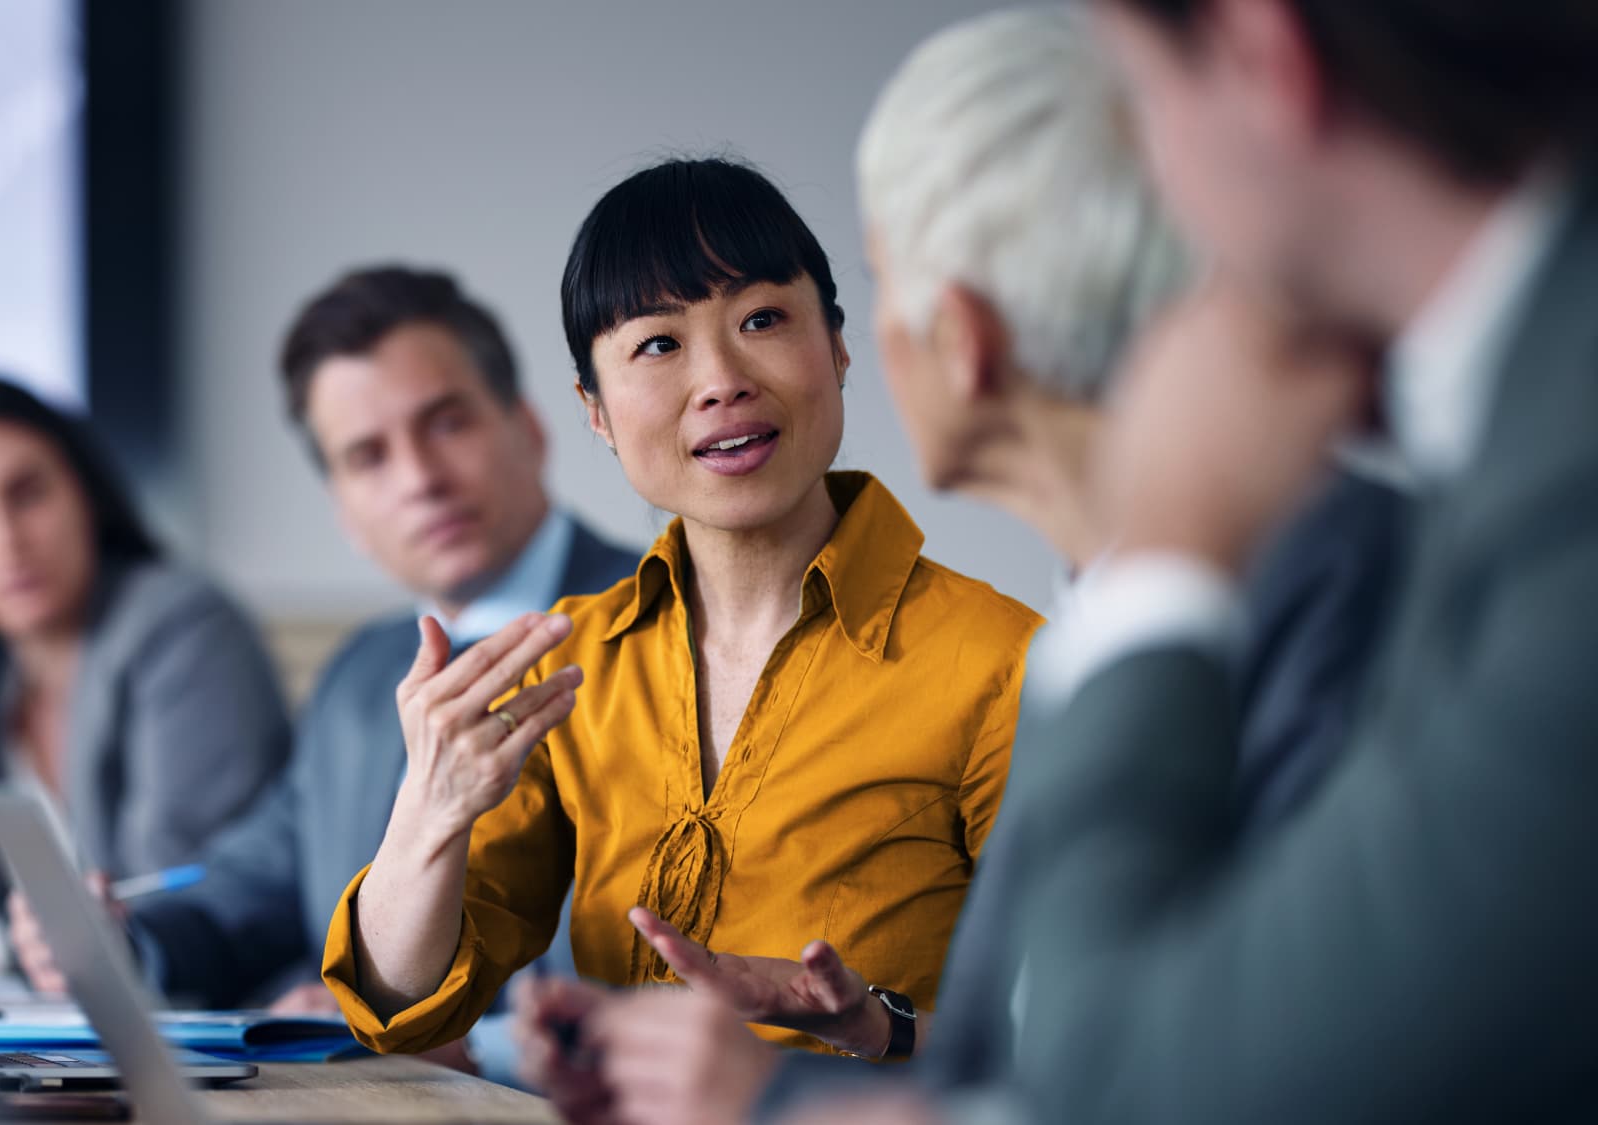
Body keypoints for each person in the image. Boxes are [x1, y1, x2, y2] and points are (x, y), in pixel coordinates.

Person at [520, 11, 1407, 1122]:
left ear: (958, 335)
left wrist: (776, 1102)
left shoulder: (1289, 586)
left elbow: (1234, 1071)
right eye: (659, 343)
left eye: (871, 287)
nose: (726, 378)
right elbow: (1033, 1060)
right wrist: (842, 1036)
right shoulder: (1098, 617)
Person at [318, 157, 1042, 1088]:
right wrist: (430, 808)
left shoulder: (1000, 662)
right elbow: (404, 1003)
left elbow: (1103, 1036)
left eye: (764, 319)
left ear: (839, 346)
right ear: (595, 414)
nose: (721, 380)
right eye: (658, 345)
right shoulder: (571, 661)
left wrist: (873, 1025)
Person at [8, 267, 640, 1082]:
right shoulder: (358, 676)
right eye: (368, 456)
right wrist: (118, 938)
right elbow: (248, 884)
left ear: (529, 427)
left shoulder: (671, 621)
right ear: (343, 509)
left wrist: (431, 1033)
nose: (419, 478)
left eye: (446, 423)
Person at [0, 376, 292, 968]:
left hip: (231, 1025)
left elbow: (171, 905)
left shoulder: (185, 627)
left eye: (27, 495)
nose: (5, 541)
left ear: (85, 493)